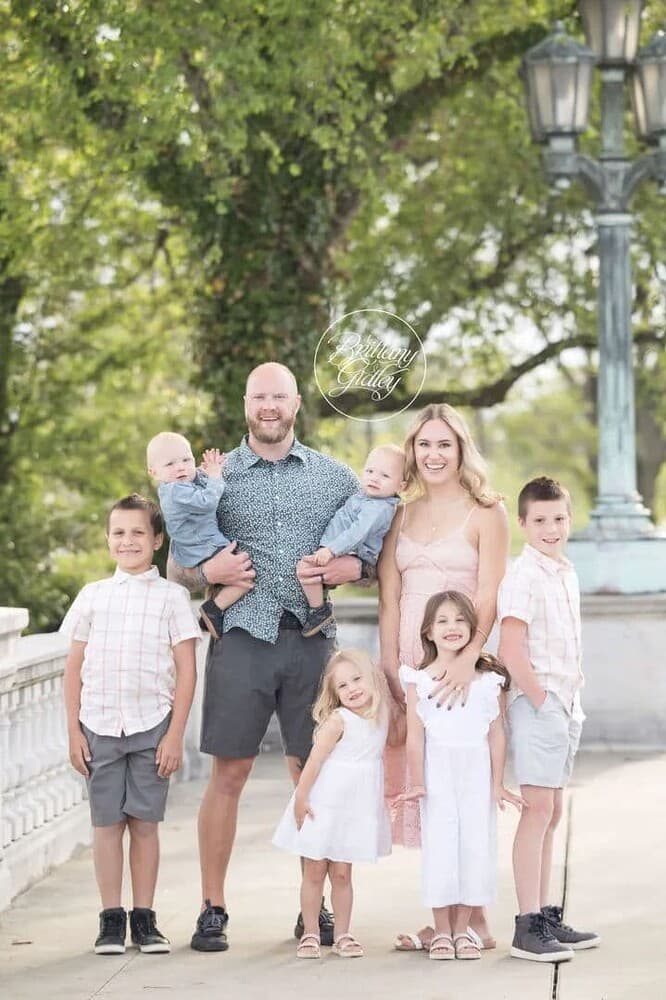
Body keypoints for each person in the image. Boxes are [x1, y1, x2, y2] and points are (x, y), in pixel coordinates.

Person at [166, 362, 370, 953]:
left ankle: (314, 909)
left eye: (279, 396)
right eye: (260, 397)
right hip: (241, 641)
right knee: (228, 774)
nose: (269, 406)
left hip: (312, 643)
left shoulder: (335, 477)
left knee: (314, 772)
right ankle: (212, 907)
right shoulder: (213, 477)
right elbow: (178, 563)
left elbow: (372, 558)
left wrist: (348, 567)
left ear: (296, 403)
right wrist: (208, 570)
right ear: (246, 403)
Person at [378, 402, 509, 952]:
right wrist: (391, 666)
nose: (433, 455)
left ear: (460, 451)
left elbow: (489, 593)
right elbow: (389, 598)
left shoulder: (487, 512)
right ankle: (453, 919)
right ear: (413, 451)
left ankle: (470, 919)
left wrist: (466, 658)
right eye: (424, 444)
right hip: (413, 662)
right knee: (430, 792)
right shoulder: (398, 516)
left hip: (462, 660)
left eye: (444, 445)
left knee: (465, 787)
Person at [61, 494, 200, 955]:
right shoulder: (93, 596)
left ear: (157, 540)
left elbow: (186, 669)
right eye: (118, 533)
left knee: (144, 823)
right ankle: (110, 920)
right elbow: (73, 669)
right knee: (106, 825)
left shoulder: (172, 598)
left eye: (138, 532)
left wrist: (175, 735)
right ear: (108, 539)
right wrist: (74, 732)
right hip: (98, 725)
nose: (128, 541)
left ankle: (144, 918)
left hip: (152, 727)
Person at [498, 476, 600, 962]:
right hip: (540, 704)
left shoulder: (564, 573)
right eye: (539, 520)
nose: (550, 528)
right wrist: (540, 699)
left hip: (565, 704)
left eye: (558, 518)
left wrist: (562, 701)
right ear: (523, 523)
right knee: (536, 810)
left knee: (552, 812)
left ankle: (544, 916)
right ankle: (526, 926)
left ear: (570, 519)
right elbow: (510, 648)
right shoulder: (523, 575)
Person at [399, 591, 523, 960]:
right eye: (442, 620)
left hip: (476, 776)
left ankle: (462, 930)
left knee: (475, 847)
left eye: (460, 619)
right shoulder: (419, 681)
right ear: (428, 632)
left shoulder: (488, 681)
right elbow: (415, 737)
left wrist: (497, 783)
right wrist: (416, 781)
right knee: (440, 848)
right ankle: (441, 930)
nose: (452, 627)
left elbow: (496, 734)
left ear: (472, 629)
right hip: (437, 776)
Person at [272, 649, 394, 958]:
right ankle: (311, 933)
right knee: (314, 871)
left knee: (342, 874)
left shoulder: (381, 717)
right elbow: (314, 761)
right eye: (342, 685)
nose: (352, 689)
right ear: (334, 693)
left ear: (372, 679)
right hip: (323, 805)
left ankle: (342, 934)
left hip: (354, 810)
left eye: (357, 679)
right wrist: (301, 797)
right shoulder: (338, 721)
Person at [296, 444, 406, 637]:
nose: (374, 478)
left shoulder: (378, 509)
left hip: (353, 552)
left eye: (385, 475)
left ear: (401, 486)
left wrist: (331, 550)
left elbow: (357, 534)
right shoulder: (366, 497)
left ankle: (318, 610)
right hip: (340, 549)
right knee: (307, 570)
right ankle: (318, 605)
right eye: (370, 471)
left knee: (305, 569)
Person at [146, 431, 245, 639]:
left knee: (229, 579)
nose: (181, 467)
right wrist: (215, 475)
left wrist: (205, 472)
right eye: (170, 464)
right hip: (203, 547)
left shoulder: (177, 484)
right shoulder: (175, 491)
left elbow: (196, 481)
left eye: (186, 460)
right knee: (245, 576)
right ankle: (212, 609)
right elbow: (207, 501)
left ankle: (211, 612)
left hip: (196, 545)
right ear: (153, 472)